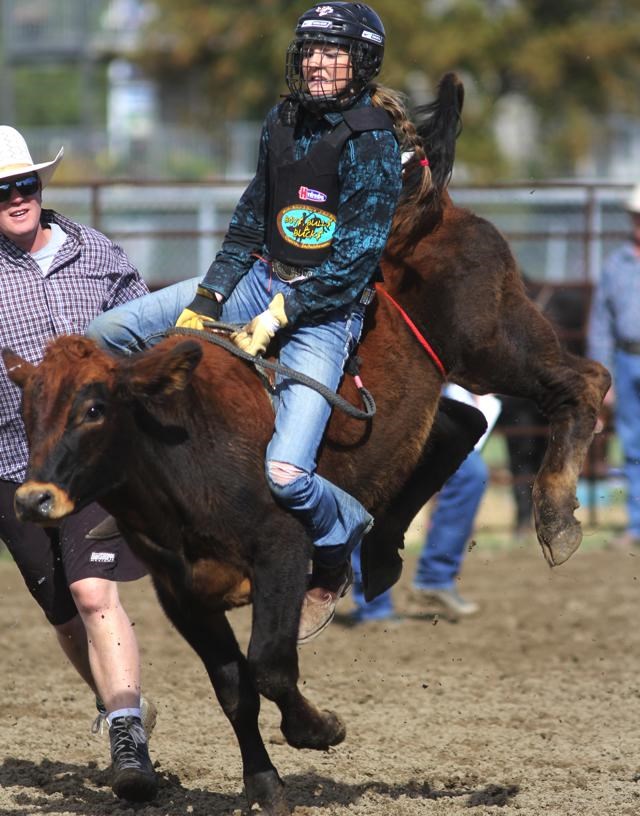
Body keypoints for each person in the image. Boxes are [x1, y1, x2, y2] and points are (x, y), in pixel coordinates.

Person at [87, 3, 430, 643]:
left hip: (325, 315)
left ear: (362, 63)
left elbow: (354, 265)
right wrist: (211, 297)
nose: (318, 63)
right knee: (108, 336)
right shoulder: (283, 119)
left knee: (287, 476)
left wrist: (284, 314)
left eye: (334, 52)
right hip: (256, 281)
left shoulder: (373, 142)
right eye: (310, 51)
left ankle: (347, 529)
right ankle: (135, 483)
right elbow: (250, 220)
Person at [0, 125, 158, 802]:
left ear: (41, 186)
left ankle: (126, 731)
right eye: (1, 189)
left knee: (95, 594)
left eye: (24, 183)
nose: (15, 197)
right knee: (62, 610)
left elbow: (145, 332)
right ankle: (121, 704)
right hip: (11, 457)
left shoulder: (97, 253)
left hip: (91, 461)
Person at [348, 387, 500, 623]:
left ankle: (436, 577)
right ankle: (373, 604)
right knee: (372, 482)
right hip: (380, 391)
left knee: (471, 473)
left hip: (425, 394)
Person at [587, 183, 640, 551]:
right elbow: (601, 323)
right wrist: (604, 377)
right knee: (633, 444)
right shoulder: (615, 264)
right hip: (625, 357)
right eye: (636, 217)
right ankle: (637, 525)